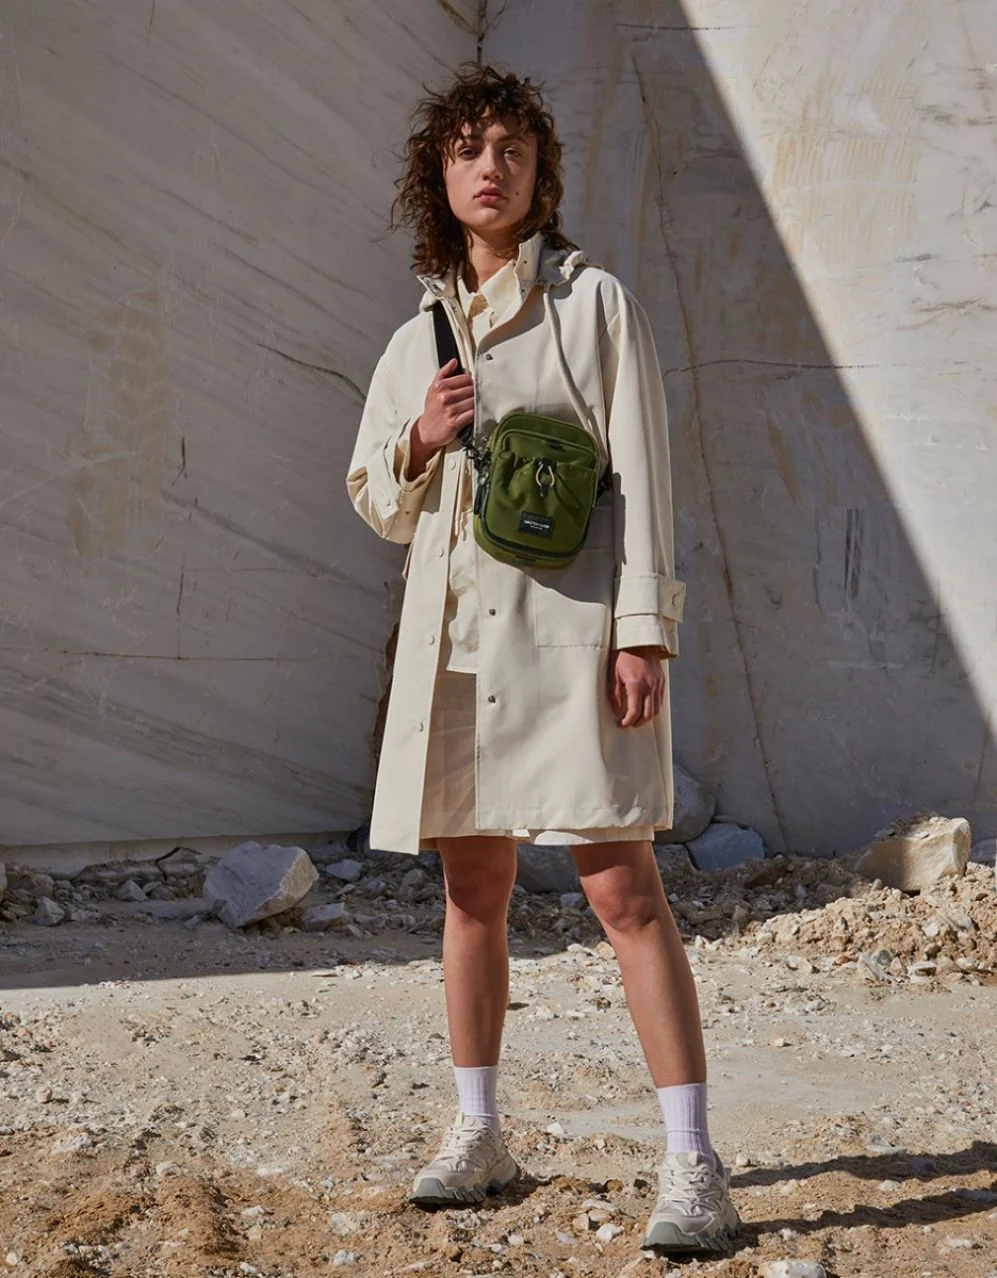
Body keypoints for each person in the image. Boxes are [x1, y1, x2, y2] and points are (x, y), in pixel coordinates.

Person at [346, 64, 741, 1255]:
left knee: (623, 890)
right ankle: (478, 1133)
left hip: (572, 642)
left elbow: (644, 479)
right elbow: (375, 501)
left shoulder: (596, 305)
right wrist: (420, 437)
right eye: (468, 149)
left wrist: (642, 631)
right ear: (439, 175)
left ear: (539, 175)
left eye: (511, 149)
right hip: (459, 649)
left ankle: (693, 1162)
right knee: (473, 891)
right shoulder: (415, 337)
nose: (491, 167)